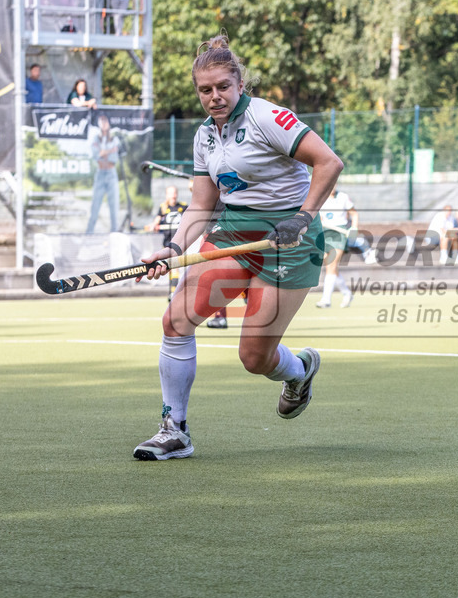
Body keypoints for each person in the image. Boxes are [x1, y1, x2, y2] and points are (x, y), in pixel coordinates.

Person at [132, 34, 342, 461]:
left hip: (289, 244)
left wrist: (302, 217)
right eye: (205, 90)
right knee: (175, 321)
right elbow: (201, 205)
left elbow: (329, 162)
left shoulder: (269, 118)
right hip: (232, 236)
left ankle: (299, 371)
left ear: (239, 84)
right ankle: (175, 430)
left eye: (222, 87)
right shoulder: (205, 137)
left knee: (254, 357)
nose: (214, 97)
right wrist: (171, 249)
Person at [316, 187, 358, 308]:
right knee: (331, 267)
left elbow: (354, 213)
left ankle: (326, 300)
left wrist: (354, 228)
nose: (333, 186)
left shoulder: (343, 197)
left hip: (339, 233)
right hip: (325, 232)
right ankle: (347, 293)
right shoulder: (320, 197)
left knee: (332, 265)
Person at [144, 185, 188, 297]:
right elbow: (156, 221)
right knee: (168, 268)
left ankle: (173, 293)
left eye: (174, 193)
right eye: (170, 193)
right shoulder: (163, 208)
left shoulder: (183, 207)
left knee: (175, 268)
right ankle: (172, 292)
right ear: (166, 195)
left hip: (178, 243)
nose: (173, 195)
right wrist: (153, 226)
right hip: (167, 243)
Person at [85, 114, 120, 234]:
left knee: (114, 205)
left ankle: (115, 232)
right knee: (95, 205)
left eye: (106, 121)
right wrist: (108, 151)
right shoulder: (95, 138)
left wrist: (104, 152)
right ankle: (89, 232)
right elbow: (97, 154)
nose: (104, 124)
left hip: (111, 173)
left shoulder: (114, 139)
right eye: (102, 122)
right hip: (100, 173)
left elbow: (113, 157)